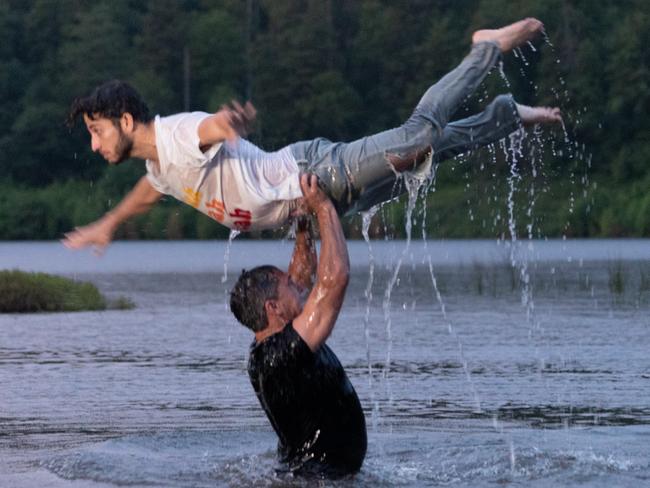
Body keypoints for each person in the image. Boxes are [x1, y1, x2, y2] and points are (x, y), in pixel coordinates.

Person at [63, 18, 561, 253]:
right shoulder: (160, 166)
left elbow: (206, 127)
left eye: (96, 130)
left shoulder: (174, 135)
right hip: (322, 199)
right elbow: (149, 192)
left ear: (126, 122)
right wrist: (108, 224)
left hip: (314, 172)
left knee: (416, 139)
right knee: (429, 157)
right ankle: (504, 116)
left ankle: (484, 49)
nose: (94, 143)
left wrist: (227, 123)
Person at [230, 173, 366, 478]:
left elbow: (303, 276)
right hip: (316, 478)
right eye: (289, 285)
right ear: (273, 308)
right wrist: (323, 208)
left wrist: (303, 223)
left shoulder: (271, 342)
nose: (299, 284)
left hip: (317, 473)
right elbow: (335, 280)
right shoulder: (281, 356)